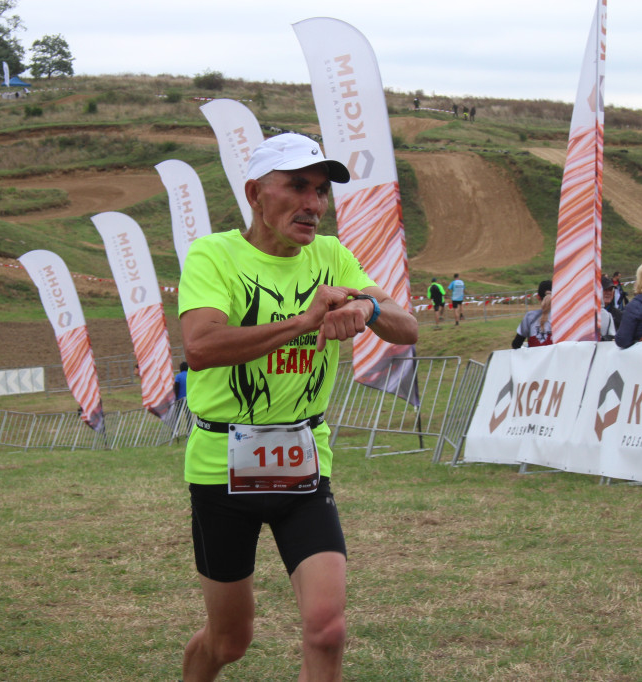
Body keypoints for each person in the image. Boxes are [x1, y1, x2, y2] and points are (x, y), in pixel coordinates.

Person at [177, 132, 418, 681]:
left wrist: (362, 304)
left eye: (321, 192)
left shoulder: (331, 256)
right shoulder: (214, 254)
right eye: (297, 187)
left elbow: (407, 326)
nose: (313, 205)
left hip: (304, 467)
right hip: (222, 471)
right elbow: (202, 346)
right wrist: (305, 322)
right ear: (256, 193)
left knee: (327, 629)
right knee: (230, 641)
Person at [512, 280, 553, 348]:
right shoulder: (562, 317)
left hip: (535, 358)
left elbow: (516, 344)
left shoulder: (530, 317)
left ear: (538, 297)